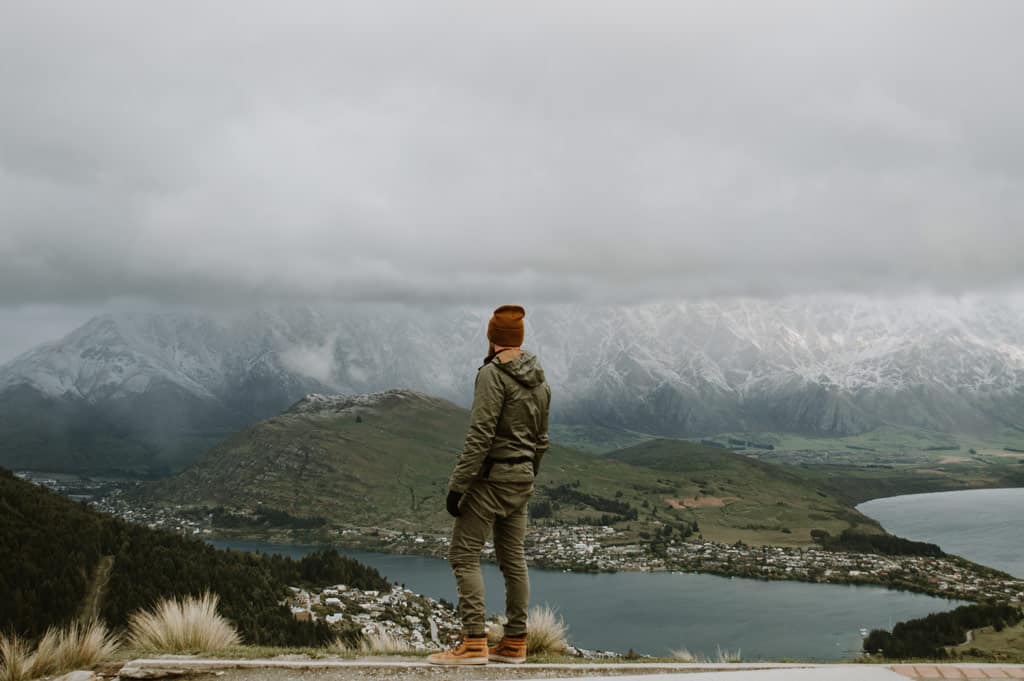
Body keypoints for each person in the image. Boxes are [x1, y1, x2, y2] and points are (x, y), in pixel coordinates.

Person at [427, 304, 551, 666]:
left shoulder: (492, 376)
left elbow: (480, 435)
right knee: (513, 559)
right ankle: (514, 642)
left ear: (492, 336)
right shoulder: (541, 381)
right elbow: (541, 439)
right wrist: (528, 472)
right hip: (522, 478)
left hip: (492, 479)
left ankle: (474, 642)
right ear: (519, 338)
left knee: (463, 555)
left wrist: (458, 486)